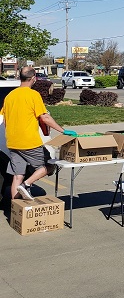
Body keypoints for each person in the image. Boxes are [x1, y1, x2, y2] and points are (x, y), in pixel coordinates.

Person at [2, 66, 73, 201]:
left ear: (19, 77)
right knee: (49, 166)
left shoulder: (9, 96)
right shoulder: (33, 95)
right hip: (29, 142)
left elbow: (5, 121)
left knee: (17, 175)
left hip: (12, 142)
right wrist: (63, 131)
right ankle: (26, 184)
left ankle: (16, 209)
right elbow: (44, 117)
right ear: (33, 78)